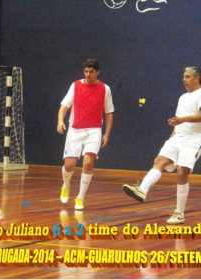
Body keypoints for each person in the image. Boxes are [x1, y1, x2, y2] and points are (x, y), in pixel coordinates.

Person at [123, 66, 201, 225]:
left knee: (182, 172)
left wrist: (182, 120)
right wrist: (172, 137)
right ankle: (142, 190)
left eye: (187, 77)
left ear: (197, 78)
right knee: (159, 160)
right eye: (183, 76)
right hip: (177, 137)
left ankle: (179, 213)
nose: (183, 79)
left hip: (194, 139)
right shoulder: (182, 98)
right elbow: (179, 120)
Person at [57, 59, 114, 210]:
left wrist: (106, 134)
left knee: (88, 163)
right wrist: (60, 121)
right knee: (69, 165)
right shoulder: (75, 86)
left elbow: (109, 113)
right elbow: (64, 106)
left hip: (94, 130)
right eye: (86, 72)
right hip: (75, 129)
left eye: (91, 72)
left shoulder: (105, 89)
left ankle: (80, 198)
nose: (88, 74)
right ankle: (66, 185)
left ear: (97, 72)